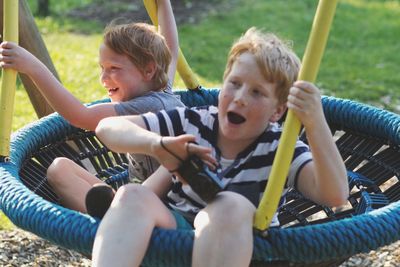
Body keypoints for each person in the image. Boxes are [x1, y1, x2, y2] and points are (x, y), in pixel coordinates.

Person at [93, 27, 349, 267]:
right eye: (235, 84)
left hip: (244, 247)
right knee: (131, 195)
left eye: (257, 93)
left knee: (229, 206)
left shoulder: (281, 149)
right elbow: (108, 128)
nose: (240, 98)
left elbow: (335, 195)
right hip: (178, 229)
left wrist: (315, 122)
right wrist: (157, 145)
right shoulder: (195, 121)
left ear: (278, 111)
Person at [0, 0, 184, 214]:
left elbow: (79, 116)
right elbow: (170, 44)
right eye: (102, 68)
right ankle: (112, 212)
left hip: (162, 211)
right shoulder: (162, 91)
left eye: (114, 68)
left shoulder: (149, 106)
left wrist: (33, 67)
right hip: (139, 198)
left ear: (149, 70)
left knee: (61, 171)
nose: (103, 78)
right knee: (60, 168)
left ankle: (109, 224)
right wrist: (162, 3)